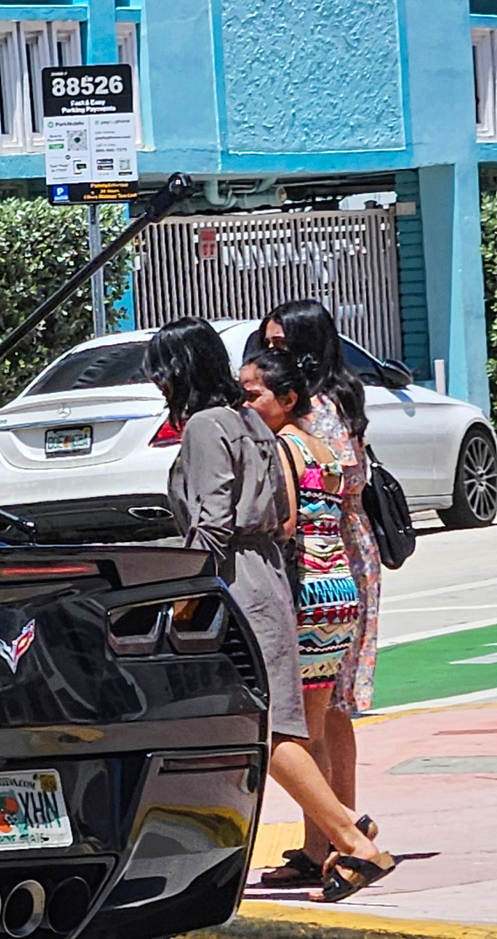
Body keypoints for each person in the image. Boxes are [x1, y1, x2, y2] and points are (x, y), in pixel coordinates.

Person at [148, 320, 390, 902]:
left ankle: (351, 840)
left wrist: (179, 601)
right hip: (272, 576)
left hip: (233, 579)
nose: (154, 381)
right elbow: (284, 516)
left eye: (159, 369)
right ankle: (343, 828)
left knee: (266, 725)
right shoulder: (252, 421)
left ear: (177, 370)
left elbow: (210, 523)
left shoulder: (206, 427)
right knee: (278, 721)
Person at [238, 345, 395, 899]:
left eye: (253, 393)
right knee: (315, 723)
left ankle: (344, 832)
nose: (244, 401)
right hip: (339, 587)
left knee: (293, 731)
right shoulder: (323, 445)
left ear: (286, 398)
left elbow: (281, 520)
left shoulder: (282, 446)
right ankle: (320, 844)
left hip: (304, 588)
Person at [260, 298, 380, 868]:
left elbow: (332, 479)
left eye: (283, 345)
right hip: (339, 549)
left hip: (333, 550)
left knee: (329, 707)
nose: (273, 354)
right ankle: (331, 832)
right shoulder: (328, 400)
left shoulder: (317, 411)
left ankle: (337, 832)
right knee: (327, 707)